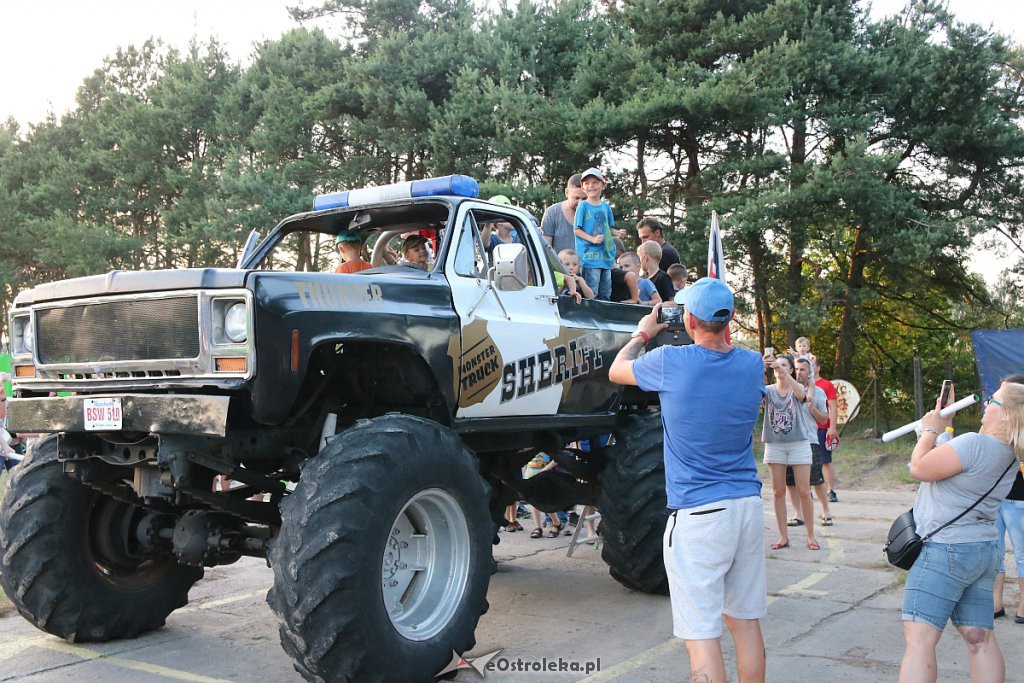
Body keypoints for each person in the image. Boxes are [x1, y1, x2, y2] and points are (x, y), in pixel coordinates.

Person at [609, 277, 769, 683]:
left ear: (690, 319)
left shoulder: (671, 362)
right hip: (746, 506)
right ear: (730, 318)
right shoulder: (752, 364)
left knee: (702, 635)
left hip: (699, 514)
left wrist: (643, 333)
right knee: (745, 623)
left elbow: (617, 371)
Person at [899, 380, 1024, 683]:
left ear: (1006, 414)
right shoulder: (1009, 453)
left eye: (993, 401)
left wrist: (929, 430)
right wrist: (946, 427)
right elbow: (953, 460)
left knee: (920, 641)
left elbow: (919, 467)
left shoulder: (974, 444)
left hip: (945, 549)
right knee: (979, 637)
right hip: (982, 550)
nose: (985, 404)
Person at [762, 354, 818, 551]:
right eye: (777, 365)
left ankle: (811, 536)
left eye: (784, 365)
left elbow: (802, 395)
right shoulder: (768, 390)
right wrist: (759, 367)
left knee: (804, 490)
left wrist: (786, 374)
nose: (779, 368)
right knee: (778, 491)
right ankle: (783, 536)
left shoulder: (796, 387)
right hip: (775, 444)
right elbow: (750, 394)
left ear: (791, 369)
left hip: (798, 443)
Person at [992, 375, 1024, 624]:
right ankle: (996, 603)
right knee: (995, 552)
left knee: (1022, 553)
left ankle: (1023, 605)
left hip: (1019, 502)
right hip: (997, 500)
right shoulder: (997, 427)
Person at [786, 358, 832, 527]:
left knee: (816, 478)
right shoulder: (787, 389)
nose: (799, 373)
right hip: (789, 441)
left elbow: (824, 418)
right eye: (797, 369)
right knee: (790, 481)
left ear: (809, 372)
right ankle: (799, 514)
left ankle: (825, 510)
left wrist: (812, 408)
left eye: (803, 370)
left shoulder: (818, 392)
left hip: (809, 439)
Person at [572, 167, 616, 301]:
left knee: (606, 293)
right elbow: (576, 230)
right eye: (587, 183)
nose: (591, 186)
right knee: (592, 292)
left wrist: (618, 233)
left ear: (602, 185)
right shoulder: (583, 206)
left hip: (606, 258)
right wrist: (592, 239)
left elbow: (608, 229)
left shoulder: (606, 207)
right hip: (590, 257)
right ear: (583, 187)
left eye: (595, 182)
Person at [813, 358, 840, 501]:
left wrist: (832, 427)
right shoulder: (800, 385)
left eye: (811, 365)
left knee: (825, 460)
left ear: (818, 368)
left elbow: (833, 407)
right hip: (806, 429)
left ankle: (831, 490)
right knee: (805, 461)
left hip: (822, 428)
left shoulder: (826, 385)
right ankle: (808, 489)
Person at [541, 174, 586, 254]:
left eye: (584, 198)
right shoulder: (552, 213)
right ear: (566, 193)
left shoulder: (595, 214)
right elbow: (546, 250)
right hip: (560, 265)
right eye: (576, 198)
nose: (580, 203)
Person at [637, 241, 676, 306]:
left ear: (645, 258)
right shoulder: (644, 278)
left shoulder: (663, 277)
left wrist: (660, 305)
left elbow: (674, 302)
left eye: (639, 259)